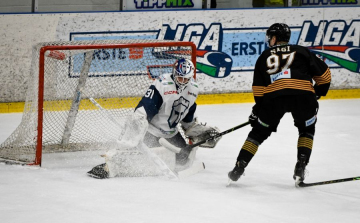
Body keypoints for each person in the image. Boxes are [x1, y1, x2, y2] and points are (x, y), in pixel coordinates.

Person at [228, 23, 331, 186]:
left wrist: (257, 112)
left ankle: (239, 165)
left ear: (274, 38)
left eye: (270, 37)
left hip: (274, 98)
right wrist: (316, 93)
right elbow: (325, 76)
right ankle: (301, 165)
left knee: (258, 134)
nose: (269, 40)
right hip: (303, 95)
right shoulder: (302, 51)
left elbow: (259, 90)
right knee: (307, 129)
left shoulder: (264, 56)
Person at [88, 58, 221, 179]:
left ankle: (163, 159)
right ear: (174, 74)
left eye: (185, 79)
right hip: (151, 131)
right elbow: (146, 108)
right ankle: (109, 167)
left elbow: (187, 118)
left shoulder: (193, 90)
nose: (182, 82)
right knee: (135, 157)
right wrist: (137, 127)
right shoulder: (163, 84)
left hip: (171, 133)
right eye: (179, 78)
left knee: (184, 159)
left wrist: (197, 131)